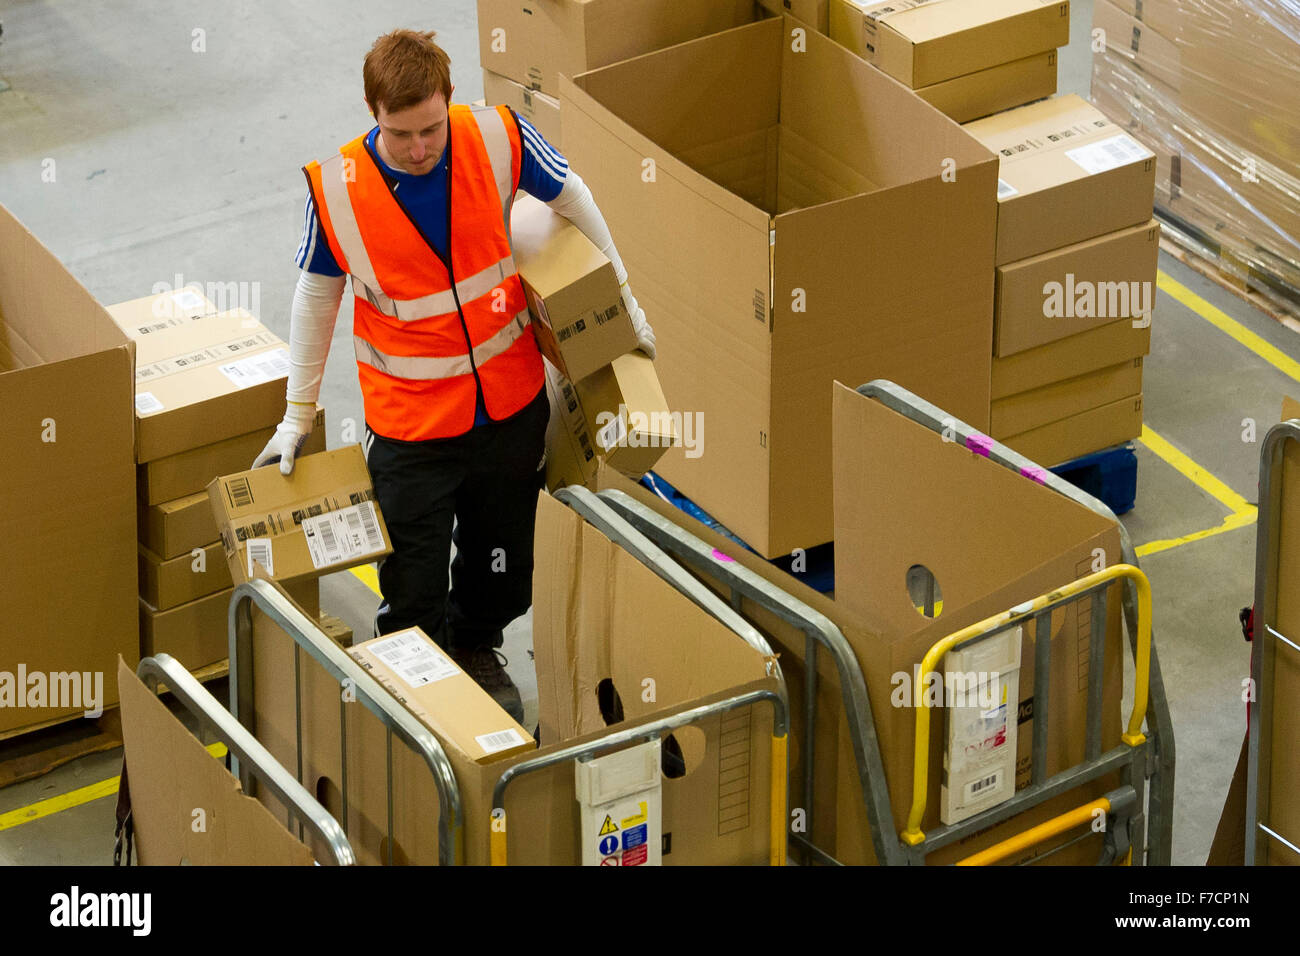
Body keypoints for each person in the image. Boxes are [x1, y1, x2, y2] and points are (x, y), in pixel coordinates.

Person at [253, 29, 655, 722]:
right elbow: (316, 296)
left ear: (448, 98)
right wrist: (298, 413)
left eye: (431, 128)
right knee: (412, 584)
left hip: (509, 407)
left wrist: (624, 305)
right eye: (399, 133)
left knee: (507, 571)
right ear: (372, 112)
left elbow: (575, 198)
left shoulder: (498, 137)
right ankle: (420, 695)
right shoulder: (339, 191)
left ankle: (474, 645)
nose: (418, 148)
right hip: (411, 428)